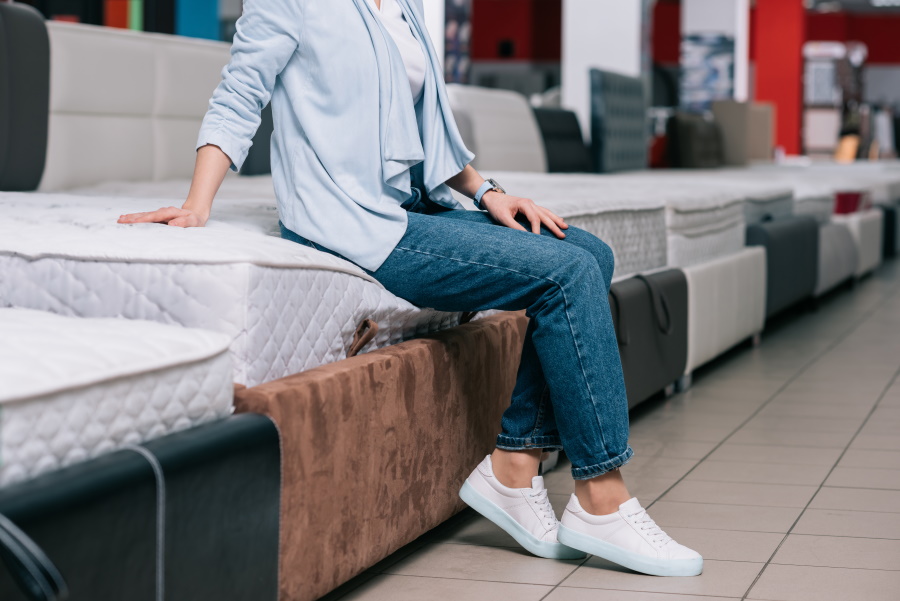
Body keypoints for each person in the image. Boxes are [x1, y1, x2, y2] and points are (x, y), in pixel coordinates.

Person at [118, 0, 702, 577]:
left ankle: (514, 465)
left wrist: (489, 193)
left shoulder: (403, 6)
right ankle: (601, 494)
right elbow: (240, 93)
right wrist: (198, 205)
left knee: (589, 253)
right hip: (349, 221)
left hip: (413, 208)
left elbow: (430, 127)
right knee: (566, 275)